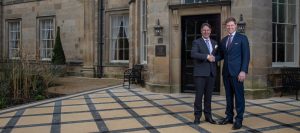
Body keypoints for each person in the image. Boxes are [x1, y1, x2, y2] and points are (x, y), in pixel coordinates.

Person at [216, 17, 250, 130]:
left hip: (237, 73)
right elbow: (221, 55)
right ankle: (229, 117)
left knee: (239, 97)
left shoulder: (242, 38)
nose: (230, 27)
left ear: (235, 26)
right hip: (226, 73)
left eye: (232, 25)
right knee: (228, 97)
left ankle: (239, 120)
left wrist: (243, 71)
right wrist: (212, 58)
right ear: (226, 27)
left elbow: (246, 56)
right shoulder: (224, 40)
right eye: (228, 26)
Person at [191, 23, 217, 125]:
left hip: (211, 73)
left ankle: (208, 116)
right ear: (201, 31)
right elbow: (193, 54)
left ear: (210, 31)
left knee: (208, 97)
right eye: (204, 30)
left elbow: (216, 55)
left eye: (208, 30)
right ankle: (197, 116)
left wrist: (216, 58)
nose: (206, 32)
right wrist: (207, 56)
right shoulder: (196, 42)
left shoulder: (214, 42)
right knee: (199, 96)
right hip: (200, 74)